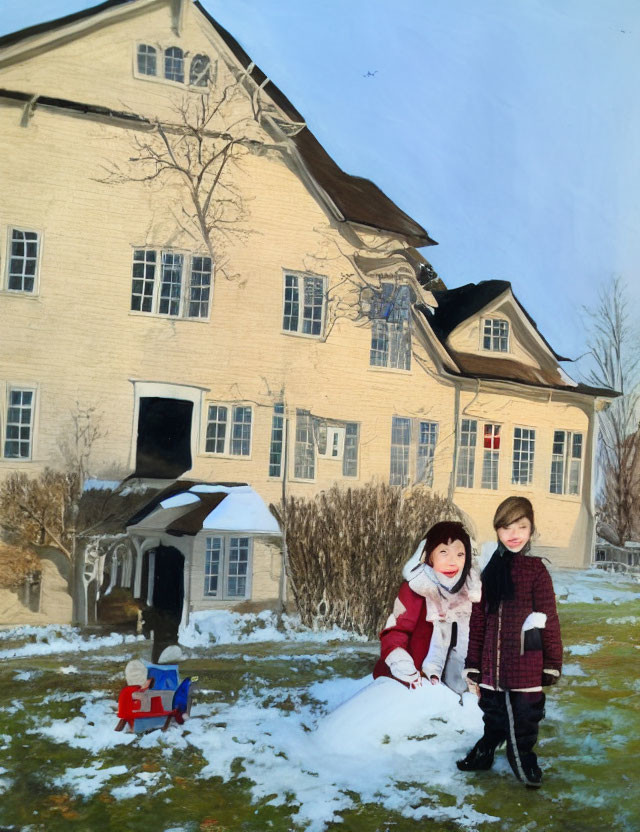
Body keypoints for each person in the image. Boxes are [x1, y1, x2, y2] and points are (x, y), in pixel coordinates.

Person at [456, 496, 562, 788]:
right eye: (506, 527)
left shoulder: (536, 570)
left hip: (526, 663)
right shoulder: (488, 573)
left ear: (531, 530)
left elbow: (548, 618)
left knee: (525, 718)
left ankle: (522, 758)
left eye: (521, 526)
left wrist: (552, 662)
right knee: (494, 715)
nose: (513, 534)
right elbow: (478, 621)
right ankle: (487, 750)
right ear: (497, 531)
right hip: (492, 666)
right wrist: (473, 664)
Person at [373, 520, 481, 695]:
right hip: (415, 681)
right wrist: (400, 660)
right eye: (443, 552)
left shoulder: (473, 590)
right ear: (430, 556)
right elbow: (396, 630)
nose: (452, 562)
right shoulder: (417, 587)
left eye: (460, 554)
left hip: (458, 683)